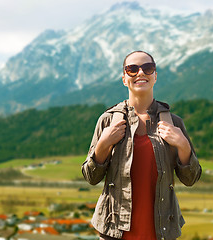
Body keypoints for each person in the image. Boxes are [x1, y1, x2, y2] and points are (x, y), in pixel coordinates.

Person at [82, 50, 202, 240]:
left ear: (155, 76)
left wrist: (183, 146)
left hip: (161, 232)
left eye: (148, 68)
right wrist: (103, 144)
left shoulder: (174, 123)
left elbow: (191, 179)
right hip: (114, 232)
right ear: (124, 78)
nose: (140, 73)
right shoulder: (107, 121)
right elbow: (91, 177)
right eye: (132, 69)